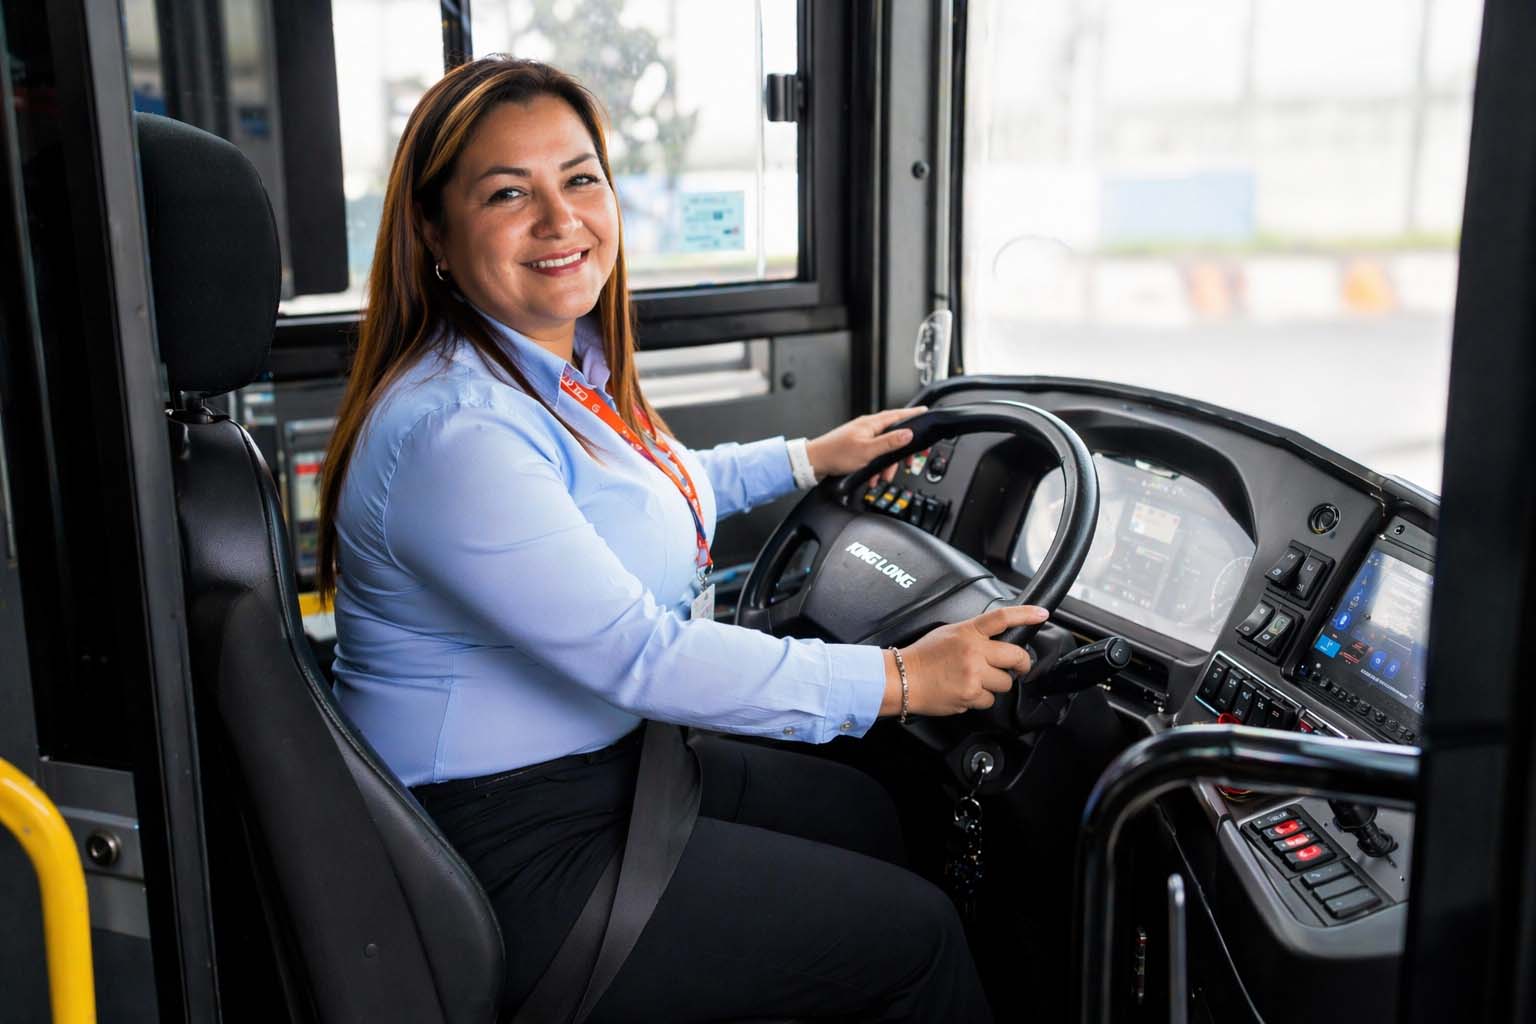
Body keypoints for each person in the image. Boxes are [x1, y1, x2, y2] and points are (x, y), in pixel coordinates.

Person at [317, 55, 1045, 1023]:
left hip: (610, 769)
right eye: (507, 192)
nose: (559, 217)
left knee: (872, 812)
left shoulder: (551, 371)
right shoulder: (455, 433)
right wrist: (903, 679)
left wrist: (806, 456)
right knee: (919, 940)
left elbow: (657, 488)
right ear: (435, 233)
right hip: (515, 850)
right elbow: (642, 656)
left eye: (580, 178)